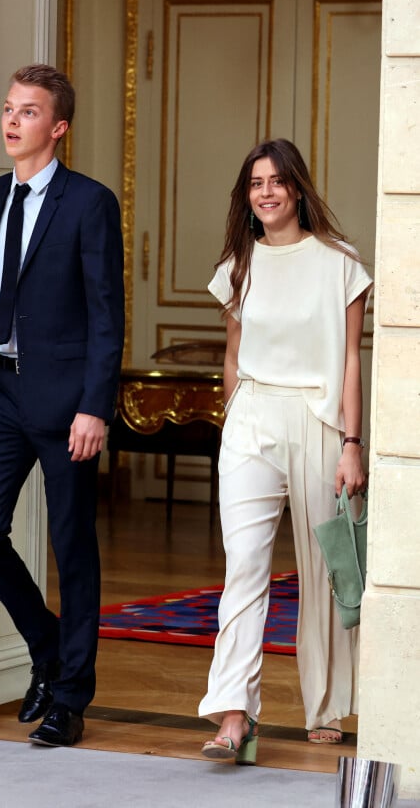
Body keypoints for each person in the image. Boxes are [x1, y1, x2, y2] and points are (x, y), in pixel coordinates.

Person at [0, 64, 125, 748]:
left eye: (28, 111)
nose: (11, 120)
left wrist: (95, 408)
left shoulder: (89, 202)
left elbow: (107, 315)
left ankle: (71, 695)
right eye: (7, 108)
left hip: (66, 402)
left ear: (57, 127)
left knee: (71, 545)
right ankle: (47, 645)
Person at [198, 138, 372, 764]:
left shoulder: (340, 263)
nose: (265, 192)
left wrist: (353, 443)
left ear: (297, 189)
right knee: (243, 563)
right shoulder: (238, 264)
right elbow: (232, 355)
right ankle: (233, 716)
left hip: (319, 419)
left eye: (276, 181)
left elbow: (351, 358)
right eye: (254, 184)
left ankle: (324, 704)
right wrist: (230, 418)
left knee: (321, 568)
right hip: (251, 419)